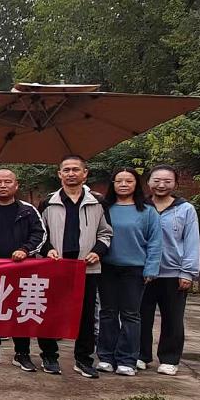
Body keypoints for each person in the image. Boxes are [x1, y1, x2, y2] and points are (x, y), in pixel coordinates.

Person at [41, 155, 113, 379]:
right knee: (50, 313)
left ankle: (83, 359)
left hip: (86, 268)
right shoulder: (48, 202)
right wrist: (48, 249)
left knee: (86, 316)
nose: (71, 173)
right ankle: (49, 356)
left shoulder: (98, 202)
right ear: (59, 174)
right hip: (56, 266)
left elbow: (106, 233)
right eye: (66, 170)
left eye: (75, 169)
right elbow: (40, 234)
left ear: (85, 173)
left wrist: (97, 251)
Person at [0, 169, 49, 370]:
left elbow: (40, 234)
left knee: (21, 311)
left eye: (8, 181)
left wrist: (25, 250)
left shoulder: (28, 210)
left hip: (22, 270)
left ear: (16, 185)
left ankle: (22, 353)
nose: (3, 185)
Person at [98, 167, 161, 376]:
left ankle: (127, 359)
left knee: (131, 315)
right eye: (119, 181)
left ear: (136, 184)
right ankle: (106, 356)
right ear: (113, 184)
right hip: (107, 267)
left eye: (129, 181)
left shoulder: (147, 211)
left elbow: (155, 241)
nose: (123, 185)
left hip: (135, 269)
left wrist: (151, 268)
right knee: (107, 313)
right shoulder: (104, 208)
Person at [141, 165, 200, 376]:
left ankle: (169, 359)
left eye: (167, 181)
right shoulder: (141, 206)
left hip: (173, 273)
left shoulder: (185, 209)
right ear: (148, 182)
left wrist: (187, 272)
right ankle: (141, 355)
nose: (161, 185)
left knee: (173, 318)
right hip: (144, 273)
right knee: (141, 316)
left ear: (175, 183)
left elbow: (191, 241)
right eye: (156, 180)